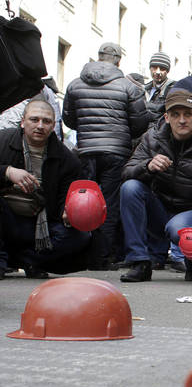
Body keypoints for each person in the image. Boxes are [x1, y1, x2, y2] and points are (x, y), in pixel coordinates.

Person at [118, 89, 192, 283]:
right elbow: (126, 172)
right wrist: (147, 166)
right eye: (175, 114)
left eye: (187, 114)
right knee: (130, 188)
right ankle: (140, 262)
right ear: (166, 117)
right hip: (159, 209)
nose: (182, 120)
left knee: (177, 226)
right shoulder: (151, 139)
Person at [62, 42, 149, 269]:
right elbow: (140, 123)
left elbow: (69, 119)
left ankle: (80, 254)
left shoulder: (74, 84)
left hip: (86, 150)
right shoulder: (128, 87)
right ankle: (102, 258)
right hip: (116, 152)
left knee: (83, 203)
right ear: (118, 60)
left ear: (98, 56)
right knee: (107, 205)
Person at [0, 98, 90, 279]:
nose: (40, 126)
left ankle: (27, 259)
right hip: (5, 218)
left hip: (40, 225)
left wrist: (68, 214)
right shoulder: (3, 141)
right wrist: (7, 172)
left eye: (46, 121)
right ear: (23, 121)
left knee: (81, 236)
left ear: (53, 126)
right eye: (34, 120)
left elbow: (63, 203)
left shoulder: (67, 159)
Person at [143, 51, 175, 122]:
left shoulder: (173, 89)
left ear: (167, 71)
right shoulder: (143, 89)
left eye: (162, 69)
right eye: (154, 67)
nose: (157, 72)